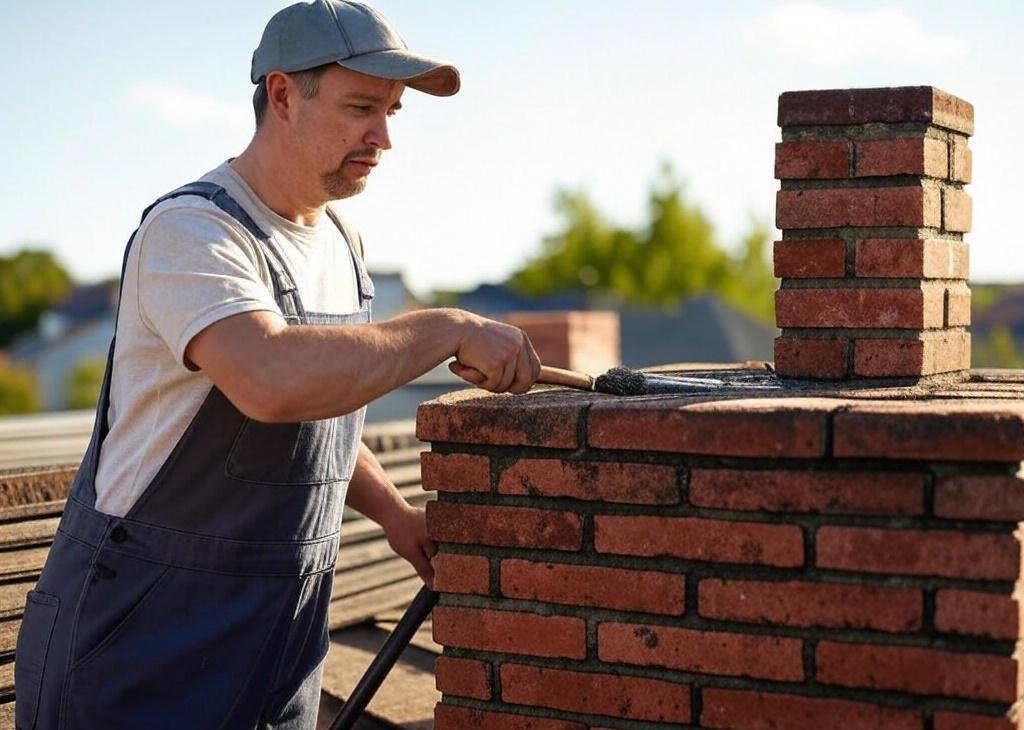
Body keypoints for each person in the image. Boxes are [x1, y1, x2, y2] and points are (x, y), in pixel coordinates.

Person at [13, 2, 540, 728]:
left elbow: (320, 406)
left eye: (391, 112)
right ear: (284, 95)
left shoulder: (340, 246)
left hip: (277, 647)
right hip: (142, 649)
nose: (383, 136)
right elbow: (271, 379)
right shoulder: (192, 232)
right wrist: (446, 329)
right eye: (361, 107)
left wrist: (395, 516)